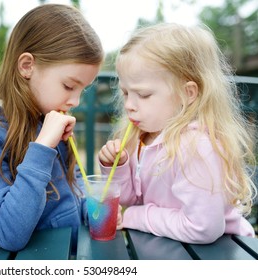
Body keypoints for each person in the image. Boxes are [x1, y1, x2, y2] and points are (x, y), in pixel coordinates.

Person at [0, 4, 103, 251]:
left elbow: (73, 186)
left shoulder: (48, 116)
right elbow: (8, 234)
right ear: (27, 66)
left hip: (65, 255)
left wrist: (91, 211)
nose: (76, 101)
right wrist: (42, 148)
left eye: (83, 89)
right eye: (69, 86)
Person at [98, 23, 257, 244]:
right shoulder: (142, 135)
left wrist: (134, 216)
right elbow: (129, 199)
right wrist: (118, 167)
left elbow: (203, 229)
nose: (129, 105)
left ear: (187, 93)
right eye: (125, 92)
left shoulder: (196, 147)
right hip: (171, 244)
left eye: (143, 95)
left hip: (224, 252)